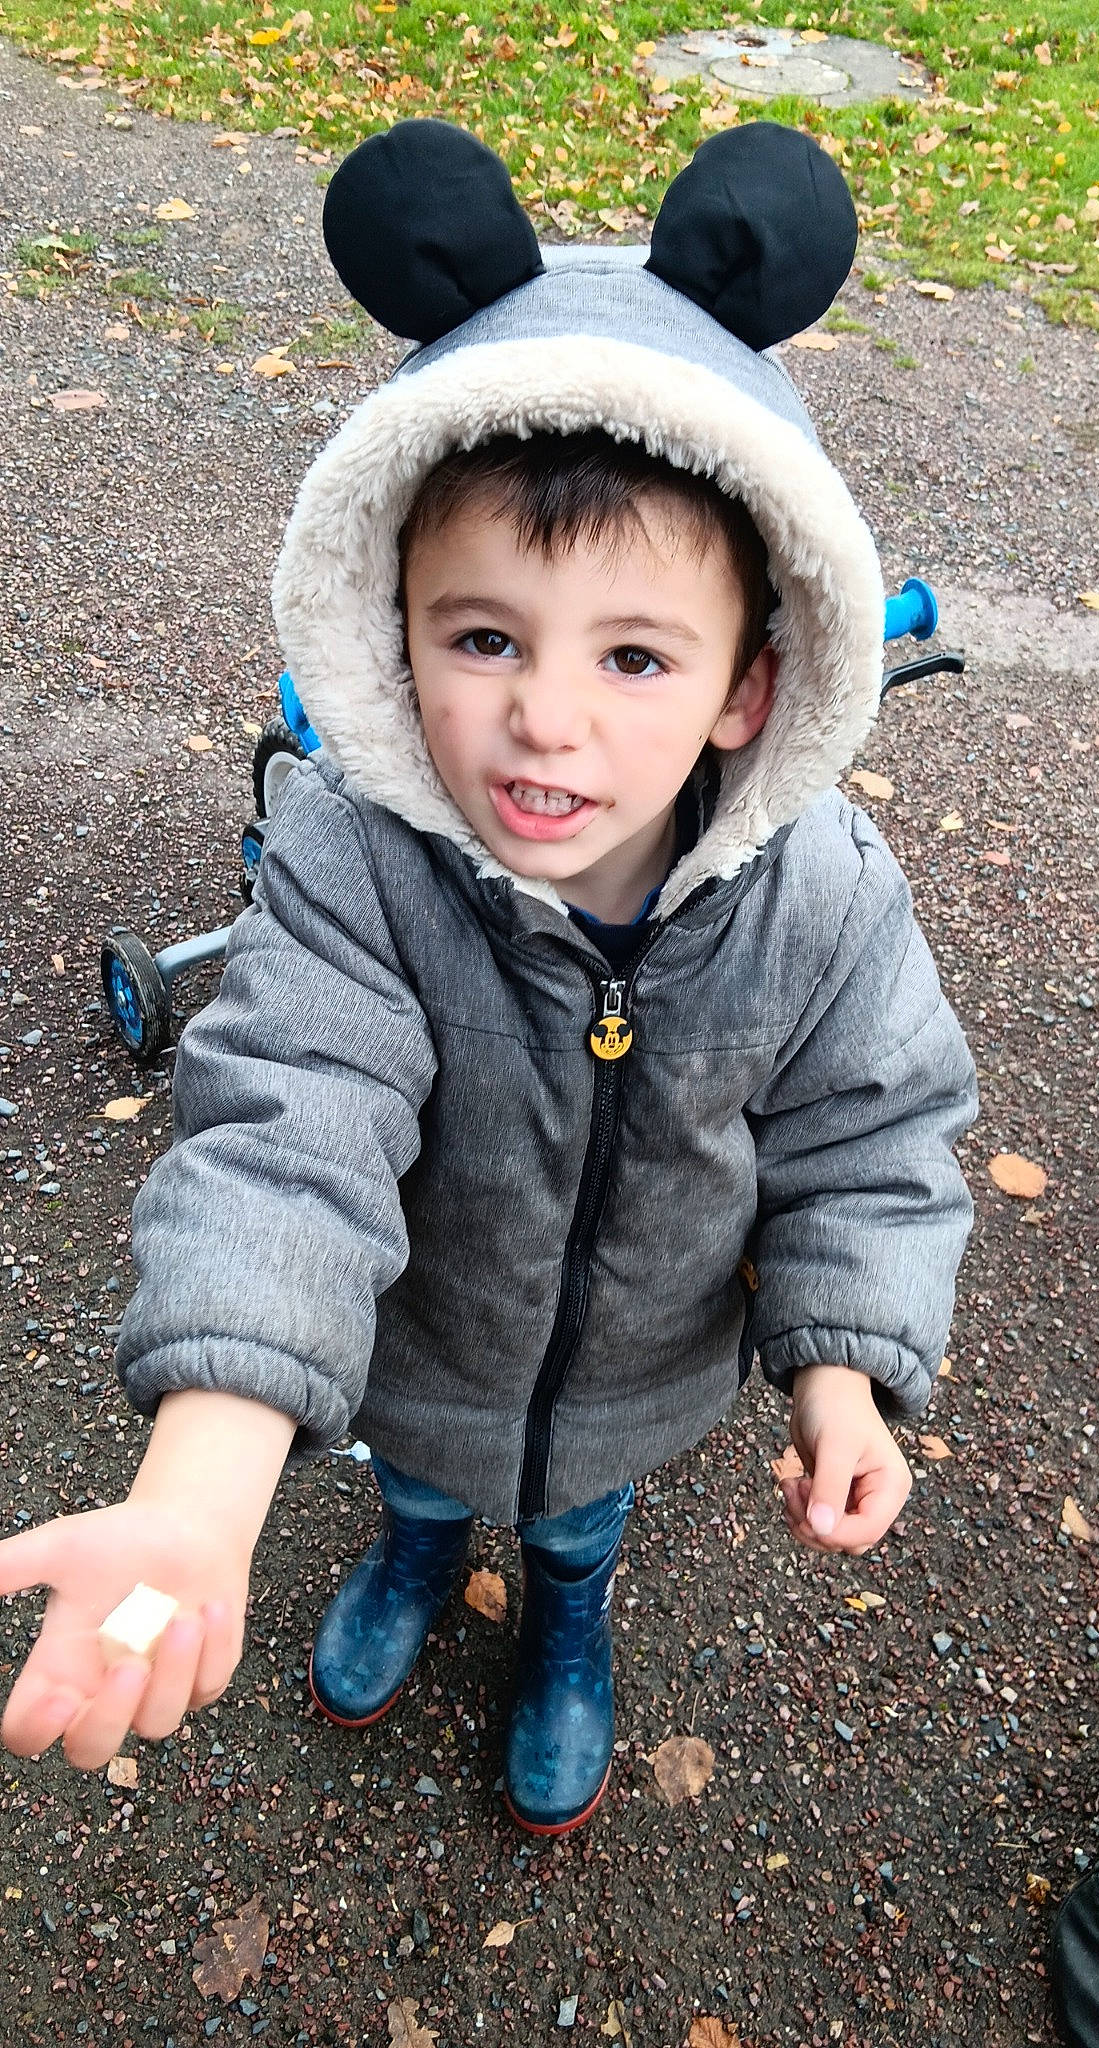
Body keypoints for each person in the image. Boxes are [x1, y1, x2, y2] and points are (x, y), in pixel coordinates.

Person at [0, 118, 977, 1834]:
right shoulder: (352, 859)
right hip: (427, 1346)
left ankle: (570, 1612)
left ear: (750, 689)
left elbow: (876, 1139)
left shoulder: (821, 897)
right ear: (393, 632)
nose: (545, 714)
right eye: (482, 637)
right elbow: (284, 1134)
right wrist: (199, 1495)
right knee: (433, 1483)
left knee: (580, 1513)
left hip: (639, 1368)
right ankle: (418, 1552)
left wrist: (839, 1365)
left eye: (633, 654)